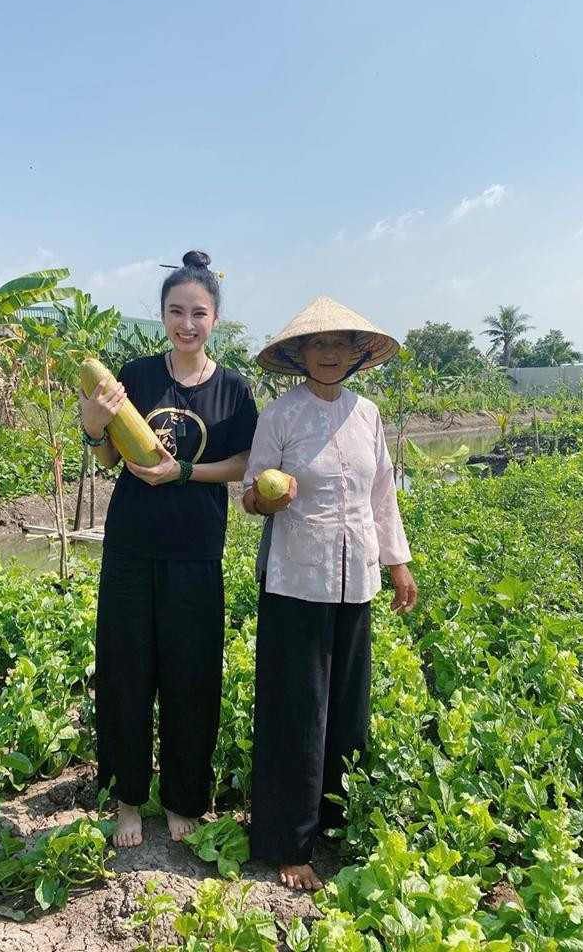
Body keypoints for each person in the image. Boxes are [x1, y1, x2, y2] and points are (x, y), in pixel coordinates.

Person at [80, 251, 258, 849]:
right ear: (162, 315)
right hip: (131, 548)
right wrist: (93, 426)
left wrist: (182, 471)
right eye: (176, 311)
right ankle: (128, 800)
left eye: (198, 313)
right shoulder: (134, 375)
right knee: (125, 673)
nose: (187, 323)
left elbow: (243, 462)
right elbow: (111, 457)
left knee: (191, 678)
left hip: (196, 552)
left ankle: (183, 798)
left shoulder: (234, 390)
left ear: (215, 319)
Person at [242, 295, 417, 891]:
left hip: (356, 581)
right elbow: (249, 496)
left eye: (340, 344)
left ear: (357, 354)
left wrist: (398, 564)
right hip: (296, 583)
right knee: (295, 712)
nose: (329, 354)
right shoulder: (281, 415)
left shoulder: (367, 414)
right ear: (300, 354)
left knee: (347, 708)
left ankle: (337, 824)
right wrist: (269, 499)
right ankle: (287, 843)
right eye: (318, 344)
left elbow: (382, 495)